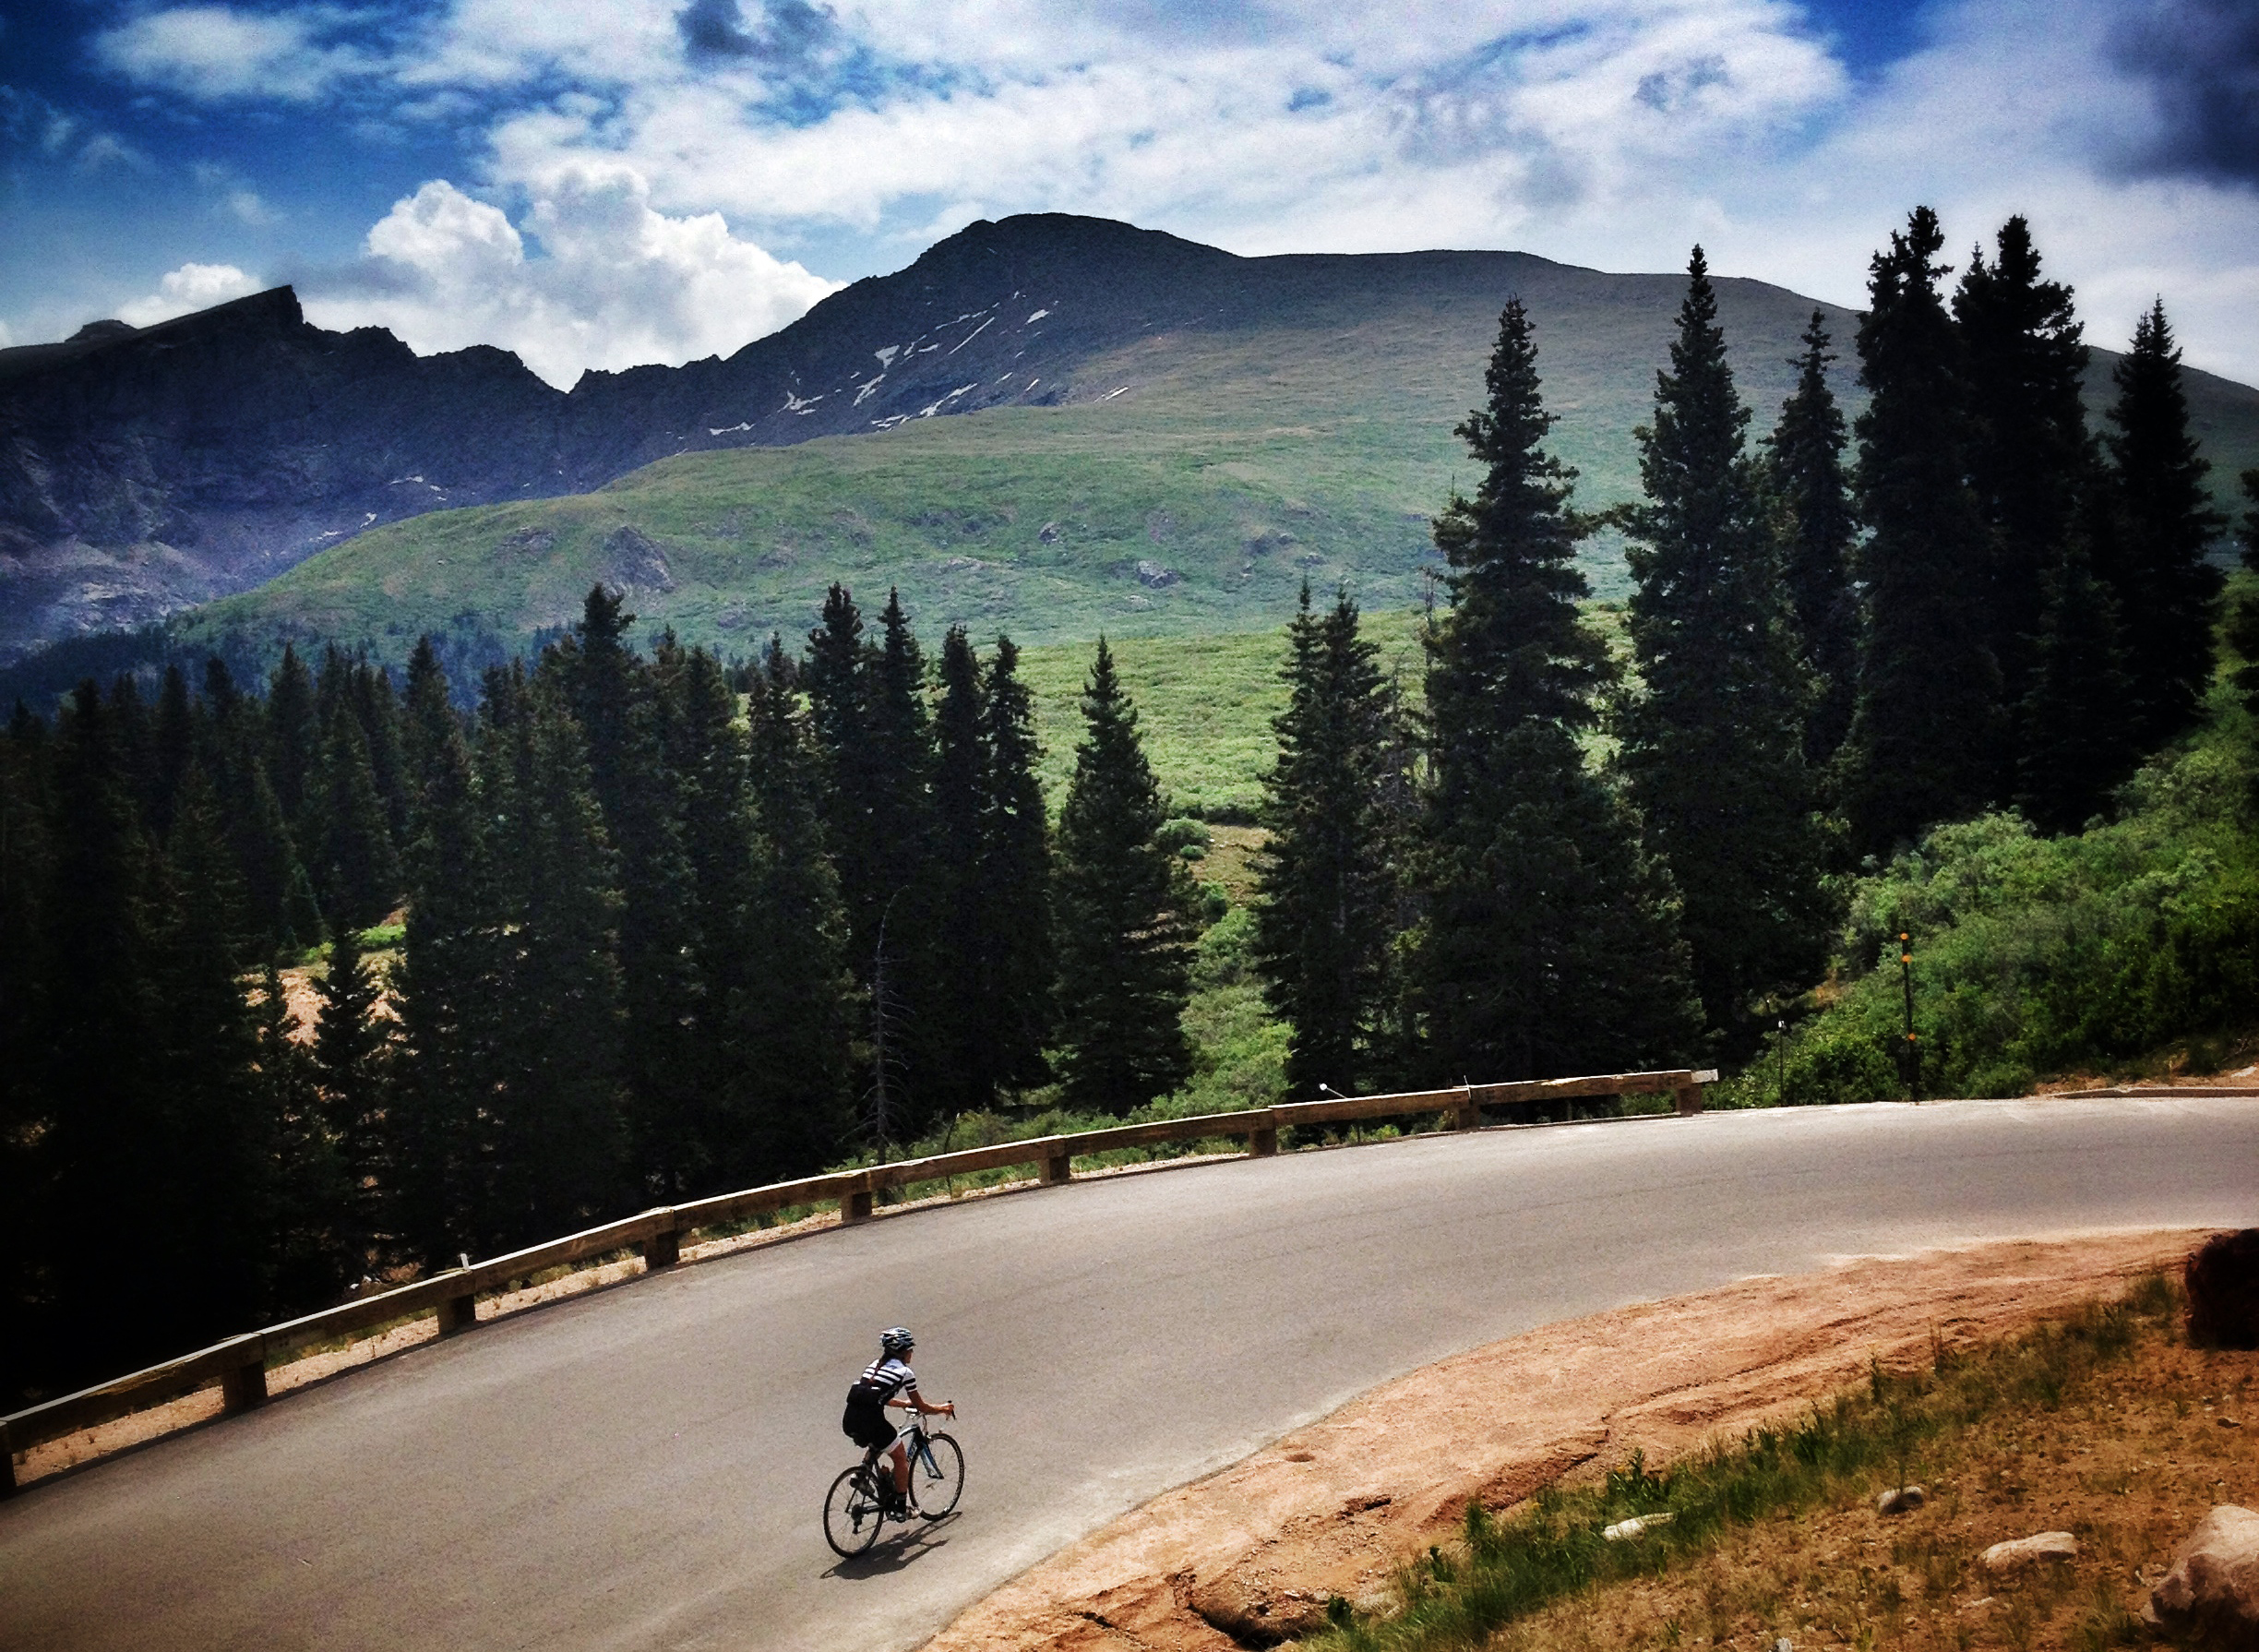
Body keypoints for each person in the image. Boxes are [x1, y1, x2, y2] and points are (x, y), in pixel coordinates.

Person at [842, 1326, 954, 1513]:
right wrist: (942, 1408)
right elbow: (922, 1407)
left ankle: (861, 1474)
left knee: (878, 1441)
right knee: (901, 1458)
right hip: (872, 1421)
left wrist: (902, 1404)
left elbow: (875, 1395)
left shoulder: (873, 1366)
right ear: (902, 1351)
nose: (912, 1352)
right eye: (910, 1348)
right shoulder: (905, 1373)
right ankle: (901, 1509)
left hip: (850, 1420)